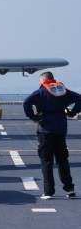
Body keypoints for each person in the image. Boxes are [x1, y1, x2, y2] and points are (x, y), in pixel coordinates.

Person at [23, 71, 81, 199]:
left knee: (46, 160)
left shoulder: (41, 92)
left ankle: (49, 191)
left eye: (39, 81)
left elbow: (26, 102)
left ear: (43, 80)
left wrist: (32, 116)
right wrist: (73, 112)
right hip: (61, 129)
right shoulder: (63, 90)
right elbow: (79, 98)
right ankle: (69, 189)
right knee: (62, 160)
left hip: (45, 129)